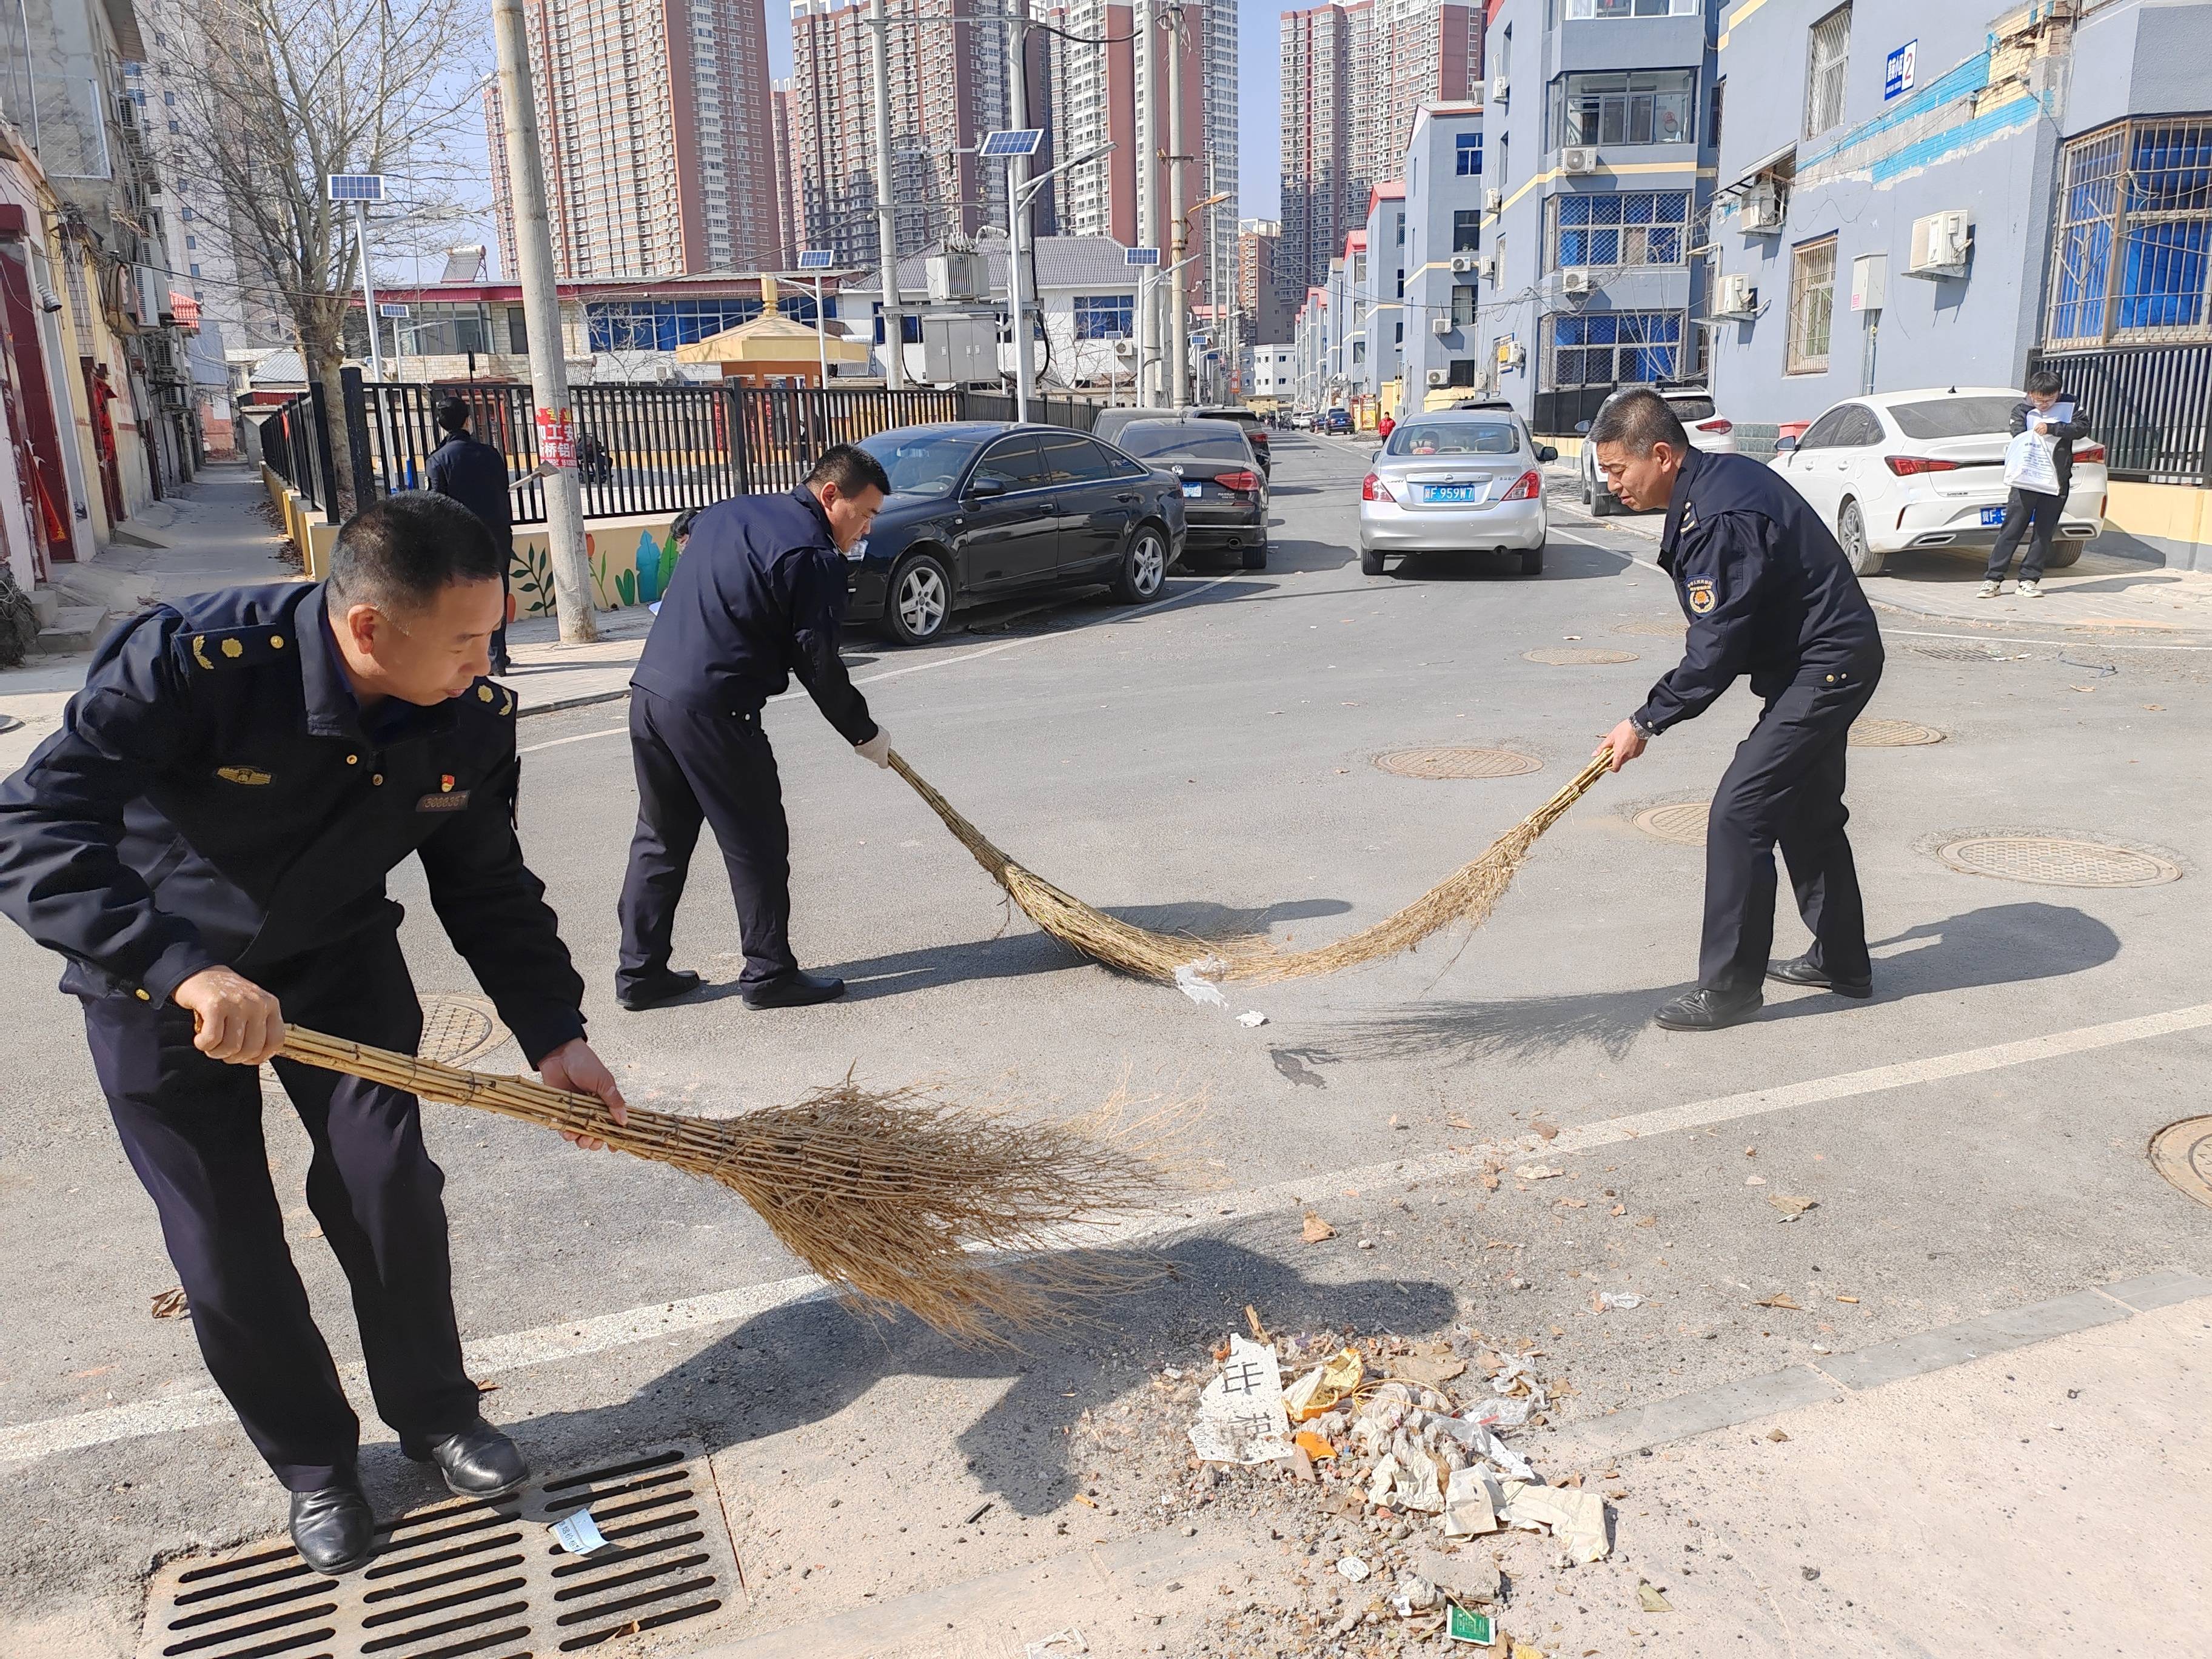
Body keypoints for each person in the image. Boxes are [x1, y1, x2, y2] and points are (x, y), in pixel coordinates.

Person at [0, 494, 628, 1574]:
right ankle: (313, 1469)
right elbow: (30, 827)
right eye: (467, 639)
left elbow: (486, 887)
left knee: (388, 1186)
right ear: (370, 626)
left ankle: (436, 1418)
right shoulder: (198, 665)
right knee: (224, 1244)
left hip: (337, 968)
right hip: (160, 983)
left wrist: (555, 1035)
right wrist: (181, 968)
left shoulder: (465, 716)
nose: (486, 661)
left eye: (495, 635)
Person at [1590, 389, 1885, 1031]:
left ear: (1662, 455)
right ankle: (1843, 961)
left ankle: (1729, 988)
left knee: (1739, 813)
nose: (1612, 484)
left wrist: (1645, 721)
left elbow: (1716, 648)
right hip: (1819, 661)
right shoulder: (1712, 486)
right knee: (1805, 815)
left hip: (1827, 665)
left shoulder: (1718, 516)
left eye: (1617, 470)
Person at [616, 446, 893, 1012]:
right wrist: (863, 733)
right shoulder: (811, 555)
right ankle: (768, 974)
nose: (864, 529)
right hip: (715, 710)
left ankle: (640, 974)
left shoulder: (730, 511)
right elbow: (818, 662)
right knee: (758, 843)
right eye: (863, 514)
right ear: (830, 495)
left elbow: (689, 539)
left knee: (661, 838)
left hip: (650, 695)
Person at [424, 398, 518, 673]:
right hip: (498, 534)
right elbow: (502, 489)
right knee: (498, 591)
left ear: (441, 425)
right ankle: (498, 656)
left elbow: (437, 502)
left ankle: (471, 657)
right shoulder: (490, 454)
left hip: (461, 538)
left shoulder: (438, 459)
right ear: (468, 421)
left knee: (463, 597)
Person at [1981, 370, 2088, 600]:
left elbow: (2082, 429)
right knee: (2012, 529)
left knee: (2044, 531)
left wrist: (2054, 428)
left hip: (2057, 480)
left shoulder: (2071, 406)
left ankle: (2029, 579)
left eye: (2050, 400)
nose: (2045, 405)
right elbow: (2018, 434)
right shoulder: (2022, 410)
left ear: (2058, 394)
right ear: (2031, 394)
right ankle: (1993, 579)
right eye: (2039, 400)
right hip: (2027, 479)